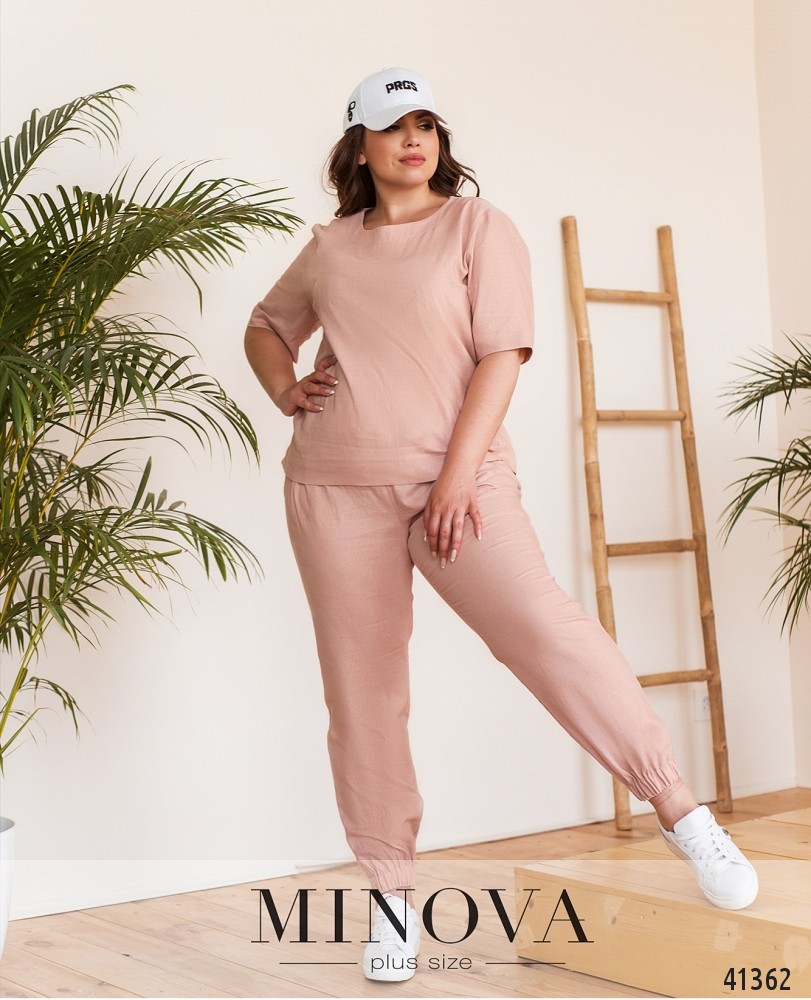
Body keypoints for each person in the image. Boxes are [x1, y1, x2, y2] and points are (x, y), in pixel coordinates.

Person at [243, 66, 758, 983]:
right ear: (359, 145)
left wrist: (452, 479)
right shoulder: (329, 248)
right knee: (362, 696)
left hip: (461, 482)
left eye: (426, 123)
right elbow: (265, 325)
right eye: (392, 125)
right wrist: (287, 389)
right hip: (333, 490)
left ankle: (681, 812)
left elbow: (501, 355)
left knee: (545, 632)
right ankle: (391, 899)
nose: (413, 138)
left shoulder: (479, 227)